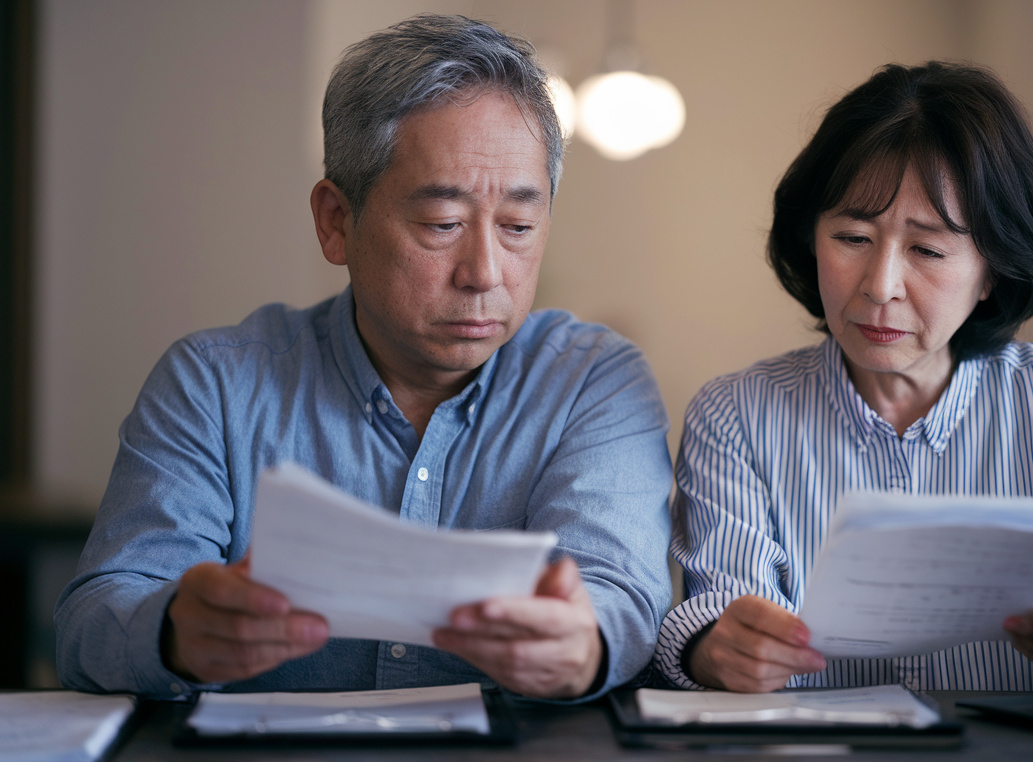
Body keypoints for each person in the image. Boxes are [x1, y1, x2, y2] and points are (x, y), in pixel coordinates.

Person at [54, 14, 672, 701]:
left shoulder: (590, 382)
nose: (486, 273)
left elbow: (621, 596)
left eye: (519, 227)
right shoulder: (215, 385)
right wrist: (173, 631)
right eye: (442, 225)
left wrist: (584, 647)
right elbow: (94, 619)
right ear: (335, 221)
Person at [655, 62, 1033, 694]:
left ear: (993, 272)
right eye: (851, 236)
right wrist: (716, 647)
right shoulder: (738, 414)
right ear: (809, 239)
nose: (880, 286)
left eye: (927, 249)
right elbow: (724, 603)